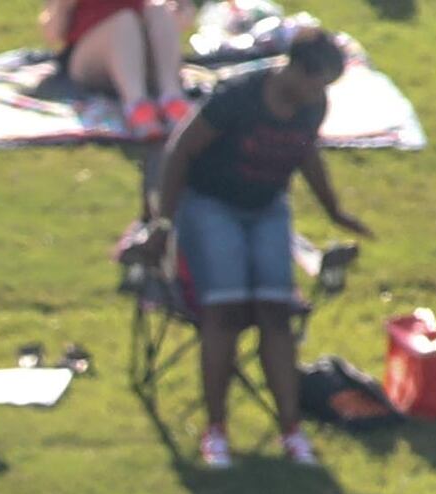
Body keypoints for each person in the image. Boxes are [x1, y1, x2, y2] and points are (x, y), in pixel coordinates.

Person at [149, 26, 369, 470]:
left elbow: (306, 154)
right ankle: (216, 430)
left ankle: (291, 429)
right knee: (223, 312)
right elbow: (181, 151)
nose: (317, 92)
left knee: (276, 312)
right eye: (314, 79)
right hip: (211, 205)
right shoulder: (240, 96)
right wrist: (164, 223)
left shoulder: (313, 106)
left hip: (267, 207)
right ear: (293, 67)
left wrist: (334, 210)